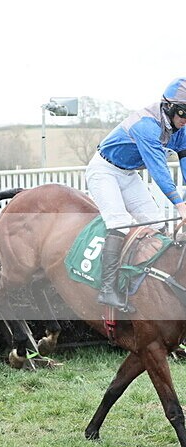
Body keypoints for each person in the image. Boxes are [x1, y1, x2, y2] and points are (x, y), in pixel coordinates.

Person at [86, 77, 186, 310]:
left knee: (158, 224)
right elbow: (158, 169)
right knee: (120, 223)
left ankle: (158, 281)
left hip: (128, 174)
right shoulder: (146, 126)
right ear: (168, 107)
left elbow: (185, 159)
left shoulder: (179, 127)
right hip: (104, 171)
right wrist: (180, 205)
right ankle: (108, 289)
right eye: (183, 113)